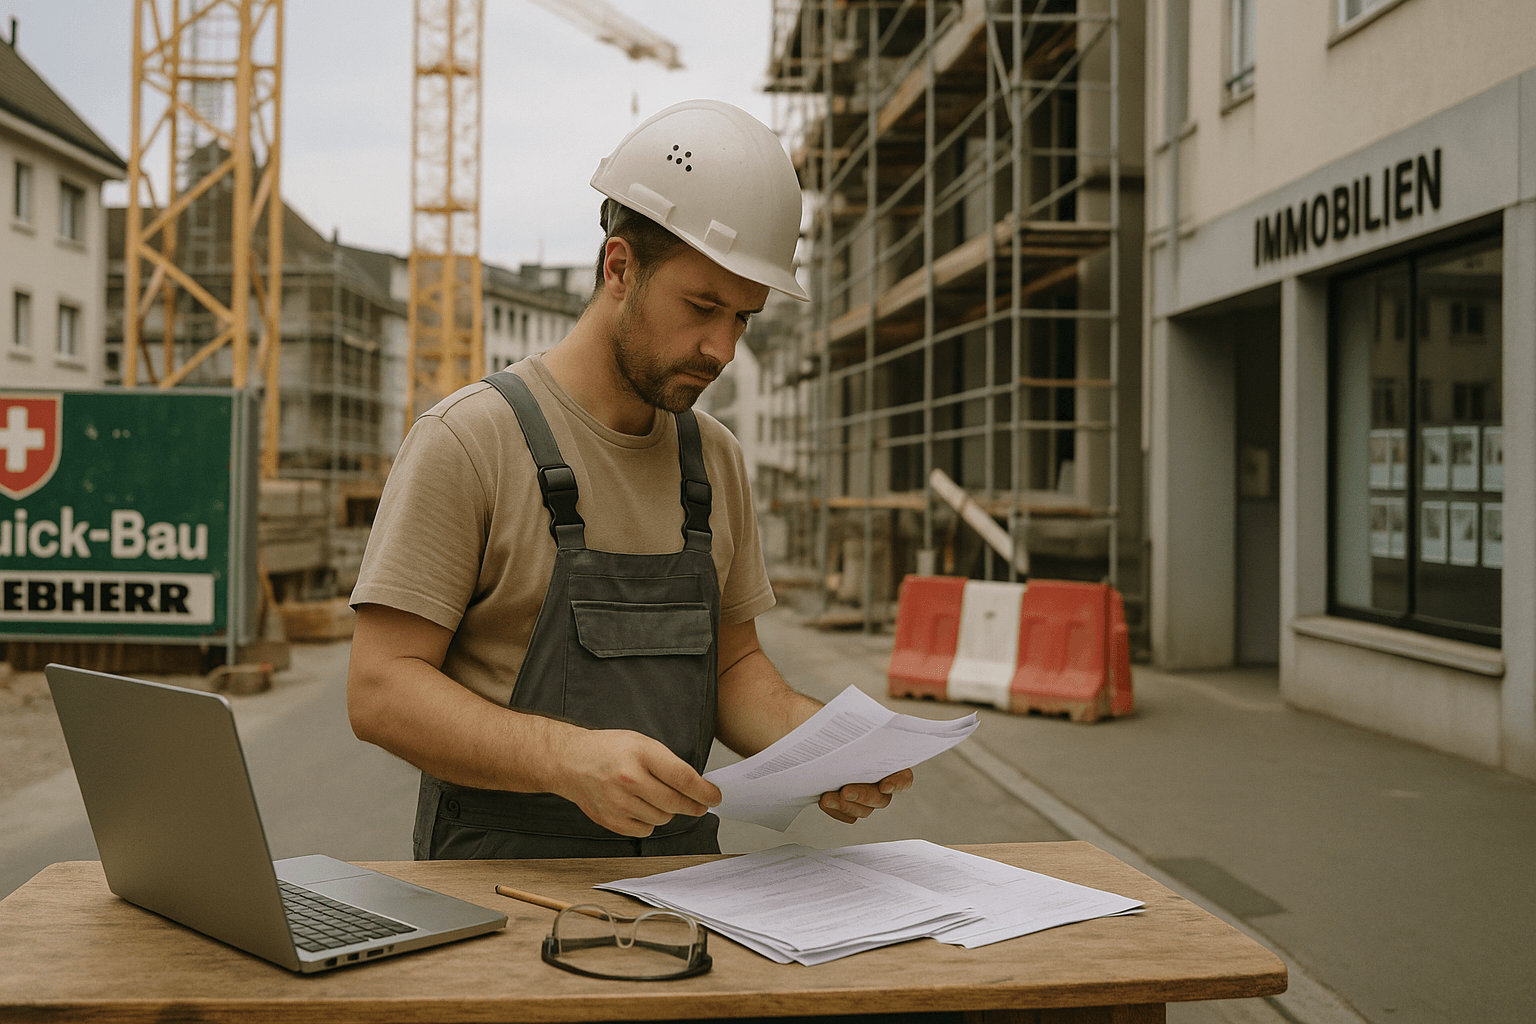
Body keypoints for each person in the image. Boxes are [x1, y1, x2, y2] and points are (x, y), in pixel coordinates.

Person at [347, 99, 913, 859]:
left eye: (744, 317)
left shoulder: (714, 461)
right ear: (620, 266)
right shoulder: (469, 441)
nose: (722, 349)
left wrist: (823, 748)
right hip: (500, 887)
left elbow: (735, 667)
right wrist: (566, 761)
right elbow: (381, 688)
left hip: (682, 883)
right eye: (703, 307)